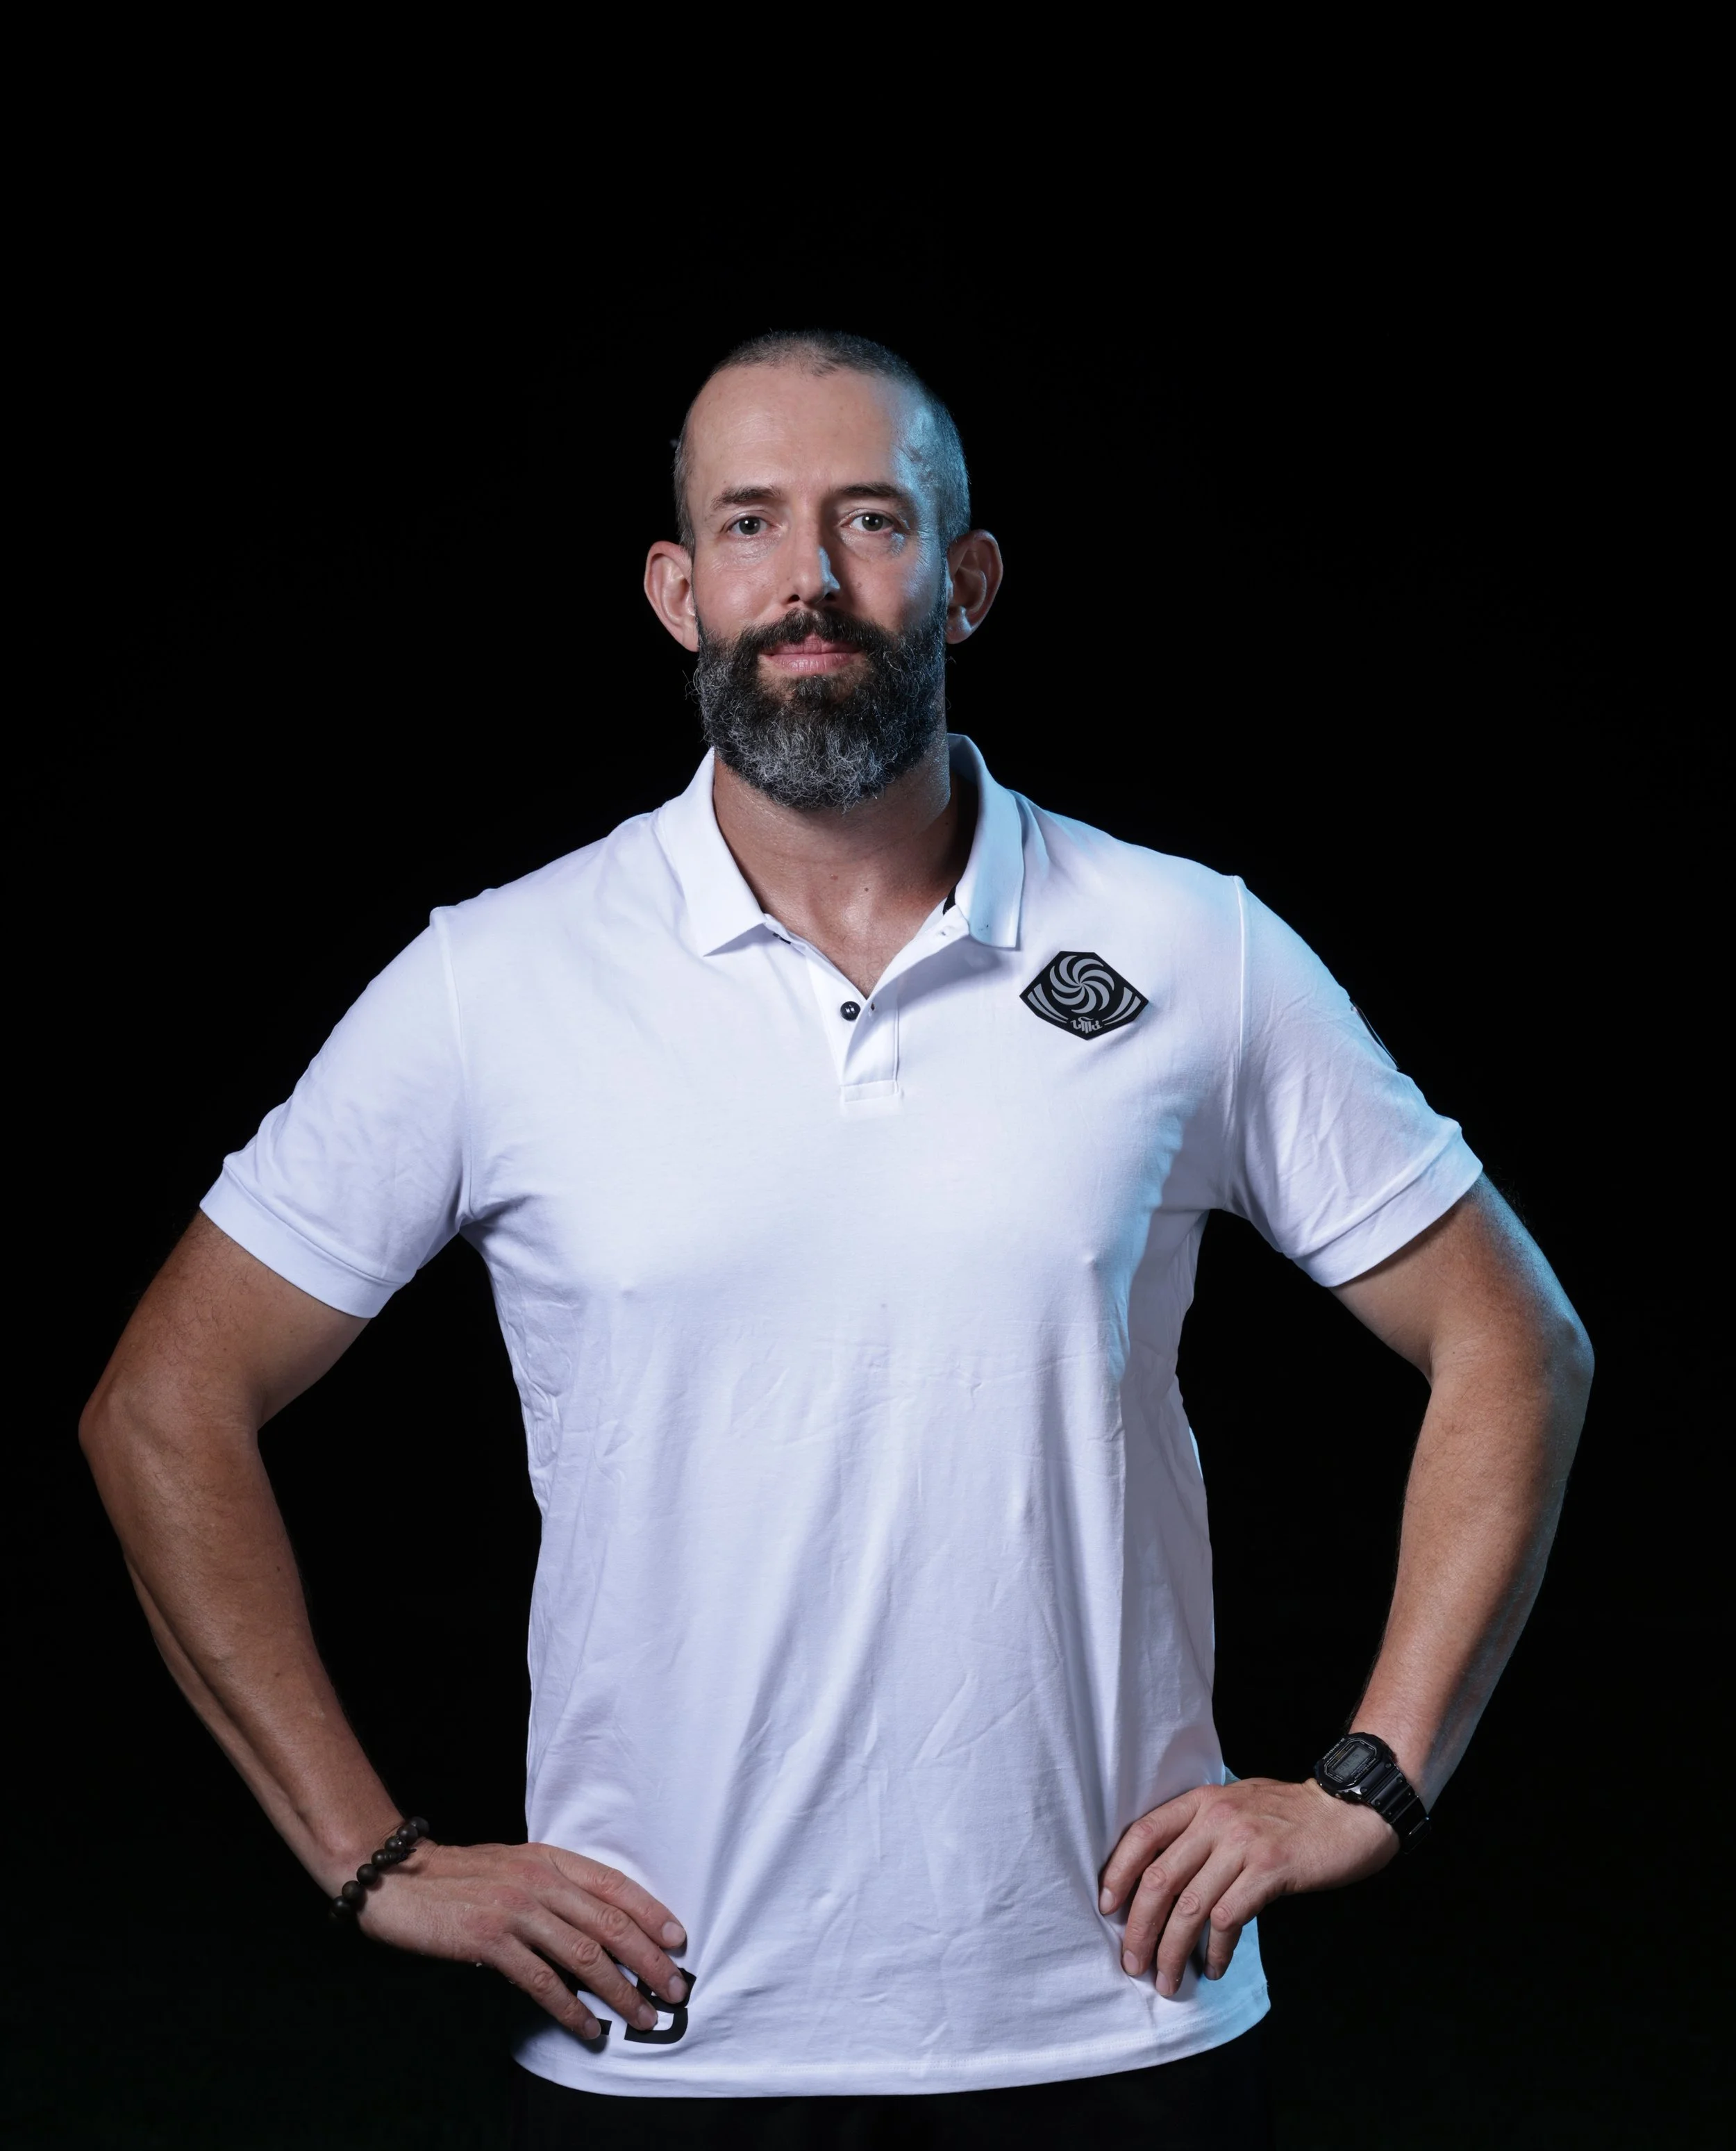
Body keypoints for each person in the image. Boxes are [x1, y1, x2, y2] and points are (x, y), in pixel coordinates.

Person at [81, 330, 1593, 2150]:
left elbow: (1512, 1341)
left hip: (1116, 2028)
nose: (806, 581)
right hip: (664, 2037)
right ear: (676, 589)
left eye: (869, 521)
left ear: (964, 582)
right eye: (748, 524)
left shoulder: (1189, 949)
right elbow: (162, 1407)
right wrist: (365, 1855)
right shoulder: (496, 985)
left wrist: (1370, 1782)